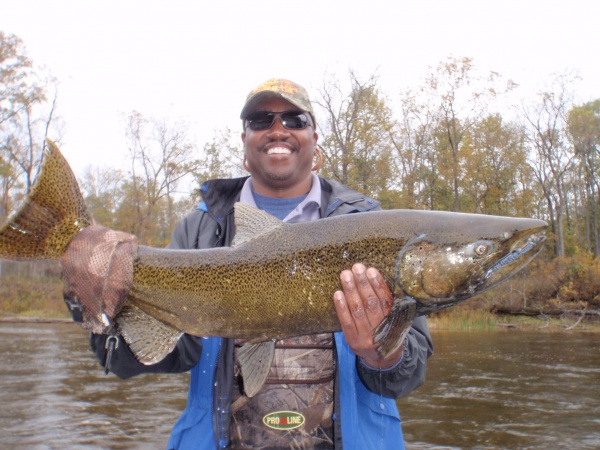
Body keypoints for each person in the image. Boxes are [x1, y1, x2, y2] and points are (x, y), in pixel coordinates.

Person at [61, 78, 433, 449]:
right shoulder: (200, 229)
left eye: (294, 119)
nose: (278, 129)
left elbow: (407, 375)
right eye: (260, 120)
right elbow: (139, 356)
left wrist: (382, 354)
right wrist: (93, 298)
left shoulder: (371, 228)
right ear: (245, 140)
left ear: (314, 138)